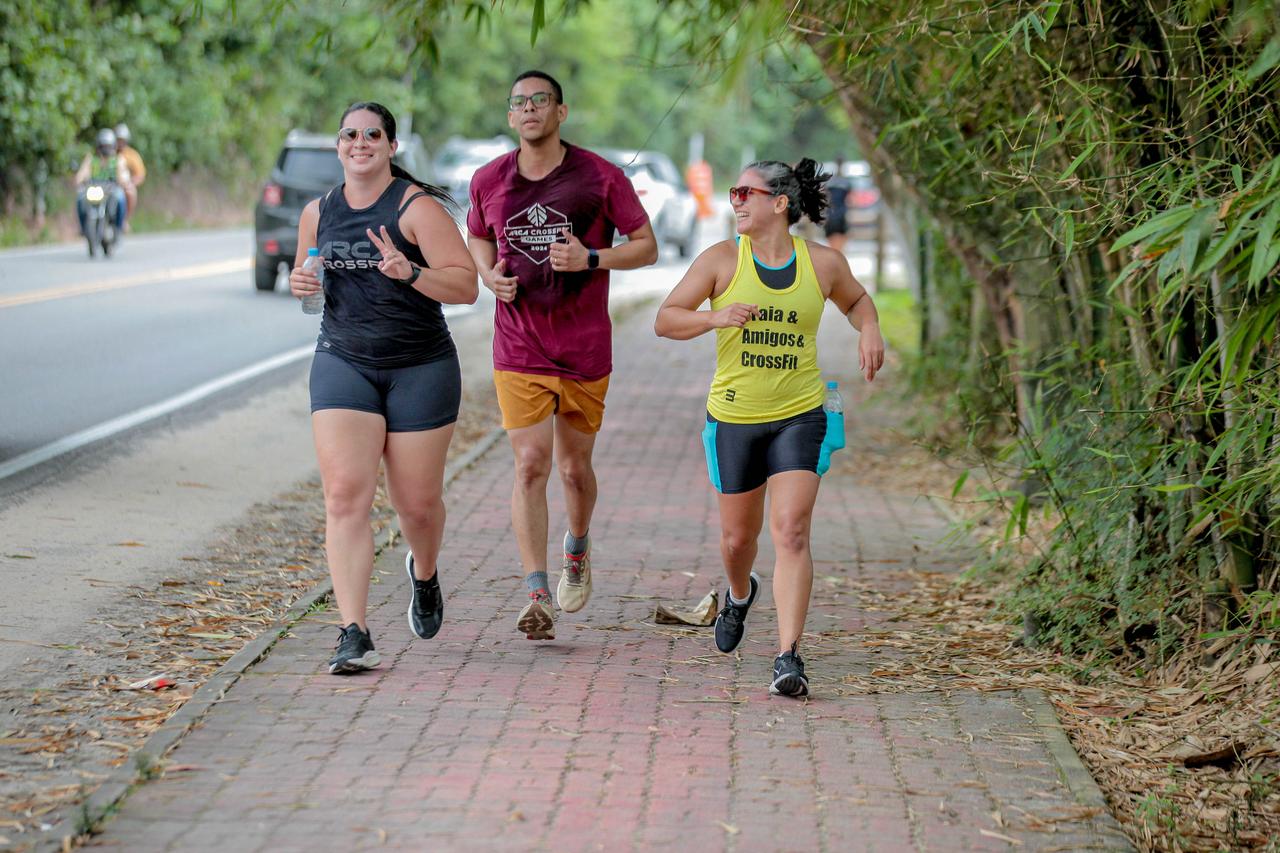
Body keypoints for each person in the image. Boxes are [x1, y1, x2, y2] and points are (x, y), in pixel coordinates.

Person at [654, 158, 885, 697]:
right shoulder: (720, 261)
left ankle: (788, 655)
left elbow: (856, 301)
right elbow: (666, 319)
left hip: (801, 414)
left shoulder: (822, 264)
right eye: (734, 192)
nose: (735, 200)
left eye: (744, 192)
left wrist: (869, 327)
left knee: (793, 532)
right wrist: (714, 317)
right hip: (734, 416)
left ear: (779, 203)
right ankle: (739, 595)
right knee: (739, 540)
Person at [466, 70, 657, 640]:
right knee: (531, 464)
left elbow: (644, 246)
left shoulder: (600, 176)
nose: (529, 110)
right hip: (518, 344)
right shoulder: (488, 179)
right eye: (519, 103)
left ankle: (577, 546)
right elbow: (477, 234)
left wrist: (593, 260)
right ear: (509, 117)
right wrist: (487, 276)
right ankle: (536, 592)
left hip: (583, 348)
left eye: (540, 101)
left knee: (574, 469)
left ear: (561, 111)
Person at [289, 102, 479, 674]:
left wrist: (412, 273)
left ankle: (424, 572)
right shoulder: (317, 213)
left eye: (373, 134)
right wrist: (302, 286)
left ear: (391, 146)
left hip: (419, 366)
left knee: (416, 505)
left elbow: (467, 287)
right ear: (338, 145)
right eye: (350, 134)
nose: (360, 142)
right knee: (345, 496)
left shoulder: (416, 210)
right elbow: (310, 289)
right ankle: (354, 632)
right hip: (343, 360)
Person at [74, 128, 130, 237]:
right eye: (103, 146)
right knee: (80, 199)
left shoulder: (118, 160)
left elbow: (123, 176)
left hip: (111, 190)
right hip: (94, 189)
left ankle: (119, 226)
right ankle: (83, 228)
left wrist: (122, 181)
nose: (105, 149)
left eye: (108, 146)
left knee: (120, 198)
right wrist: (80, 180)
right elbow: (82, 173)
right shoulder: (91, 159)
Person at [114, 123, 146, 221]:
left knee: (130, 192)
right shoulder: (109, 154)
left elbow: (140, 174)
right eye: (118, 139)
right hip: (108, 184)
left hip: (124, 184)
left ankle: (125, 219)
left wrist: (130, 183)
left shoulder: (132, 155)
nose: (120, 142)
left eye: (122, 140)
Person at [823, 157, 853, 252]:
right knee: (838, 250)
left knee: (834, 249)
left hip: (832, 216)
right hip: (839, 216)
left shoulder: (829, 181)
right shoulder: (846, 182)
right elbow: (850, 200)